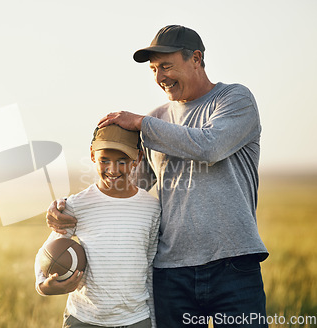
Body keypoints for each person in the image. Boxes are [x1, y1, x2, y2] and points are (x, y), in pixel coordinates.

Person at [47, 25, 269, 327]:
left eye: (166, 66)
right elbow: (127, 186)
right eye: (154, 69)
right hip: (171, 272)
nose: (160, 77)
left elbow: (210, 146)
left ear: (196, 58)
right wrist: (67, 210)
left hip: (232, 265)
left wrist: (140, 123)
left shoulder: (234, 99)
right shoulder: (157, 119)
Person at [35, 124, 161, 328]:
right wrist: (44, 286)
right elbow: (47, 251)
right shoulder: (76, 205)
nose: (112, 170)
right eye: (104, 160)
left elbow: (149, 267)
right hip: (84, 319)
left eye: (122, 161)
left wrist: (152, 322)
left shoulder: (151, 208)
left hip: (136, 319)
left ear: (137, 159)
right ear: (92, 156)